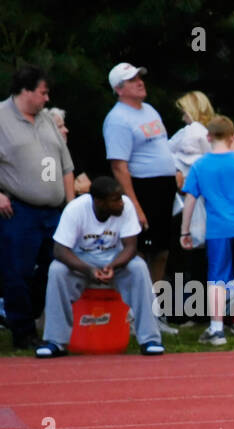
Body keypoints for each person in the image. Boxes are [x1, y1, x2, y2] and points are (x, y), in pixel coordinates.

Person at [36, 176, 164, 357]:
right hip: (82, 260)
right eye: (115, 200)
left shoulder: (125, 206)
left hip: (115, 258)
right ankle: (55, 341)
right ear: (99, 202)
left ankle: (150, 339)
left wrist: (113, 265)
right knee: (57, 270)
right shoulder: (75, 210)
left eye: (120, 198)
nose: (121, 203)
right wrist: (88, 270)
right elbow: (60, 250)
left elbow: (131, 247)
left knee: (139, 267)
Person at [0, 65, 73, 350]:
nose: (46, 98)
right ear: (26, 91)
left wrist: (70, 206)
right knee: (17, 271)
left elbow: (65, 164)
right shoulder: (2, 117)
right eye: (42, 93)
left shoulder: (45, 119)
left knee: (57, 266)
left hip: (53, 210)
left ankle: (42, 322)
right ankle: (23, 331)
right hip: (19, 208)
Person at [180, 115, 234, 345]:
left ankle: (217, 328)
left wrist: (185, 231)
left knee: (217, 277)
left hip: (219, 228)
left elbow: (190, 198)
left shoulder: (200, 165)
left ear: (208, 137)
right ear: (233, 137)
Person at [103, 63, 176, 312]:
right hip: (142, 188)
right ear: (119, 89)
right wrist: (134, 203)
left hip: (164, 187)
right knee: (142, 253)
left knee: (162, 250)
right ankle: (136, 311)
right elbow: (119, 166)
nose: (140, 82)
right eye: (132, 80)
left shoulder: (150, 110)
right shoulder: (117, 119)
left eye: (139, 77)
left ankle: (156, 311)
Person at [168, 91, 215, 248]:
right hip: (207, 204)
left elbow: (174, 156)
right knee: (201, 256)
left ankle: (179, 275)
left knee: (184, 253)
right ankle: (190, 274)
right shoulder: (216, 135)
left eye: (184, 113)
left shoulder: (192, 132)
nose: (182, 118)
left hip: (188, 202)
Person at [43, 107, 91, 195]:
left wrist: (69, 187)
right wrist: (73, 186)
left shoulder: (67, 154)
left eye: (64, 125)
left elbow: (87, 185)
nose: (66, 130)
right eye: (60, 127)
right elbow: (52, 190)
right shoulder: (45, 156)